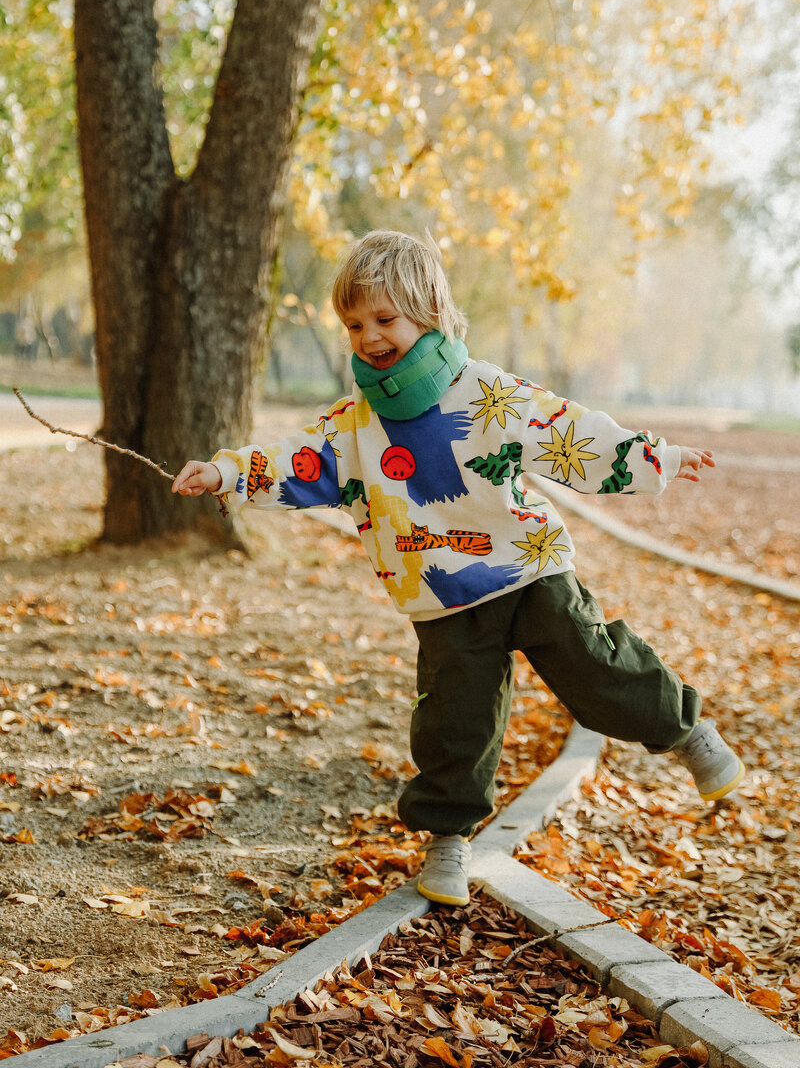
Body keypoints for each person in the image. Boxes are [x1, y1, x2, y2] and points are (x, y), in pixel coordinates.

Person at [172, 229, 745, 907]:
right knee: (454, 718)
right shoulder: (354, 425)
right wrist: (226, 473)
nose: (369, 337)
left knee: (594, 668)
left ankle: (684, 729)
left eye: (385, 320)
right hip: (440, 591)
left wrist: (651, 458)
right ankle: (447, 839)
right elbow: (298, 460)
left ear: (432, 315)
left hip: (529, 568)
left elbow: (564, 434)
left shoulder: (485, 393)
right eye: (354, 324)